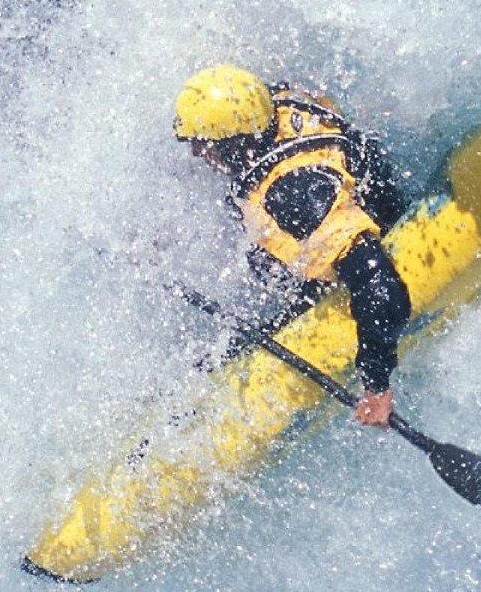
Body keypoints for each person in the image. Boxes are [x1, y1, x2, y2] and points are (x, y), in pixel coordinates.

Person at [172, 64, 412, 427]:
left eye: (203, 147)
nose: (196, 155)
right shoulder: (275, 104)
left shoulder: (295, 196)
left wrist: (376, 386)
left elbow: (380, 288)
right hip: (351, 192)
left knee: (231, 344)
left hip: (359, 244)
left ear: (233, 145)